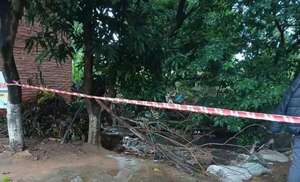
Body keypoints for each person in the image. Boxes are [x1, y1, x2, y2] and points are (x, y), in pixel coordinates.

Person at [271, 74, 300, 182]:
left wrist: (275, 128)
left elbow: (285, 101)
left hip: (297, 128)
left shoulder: (298, 80)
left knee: (298, 165)